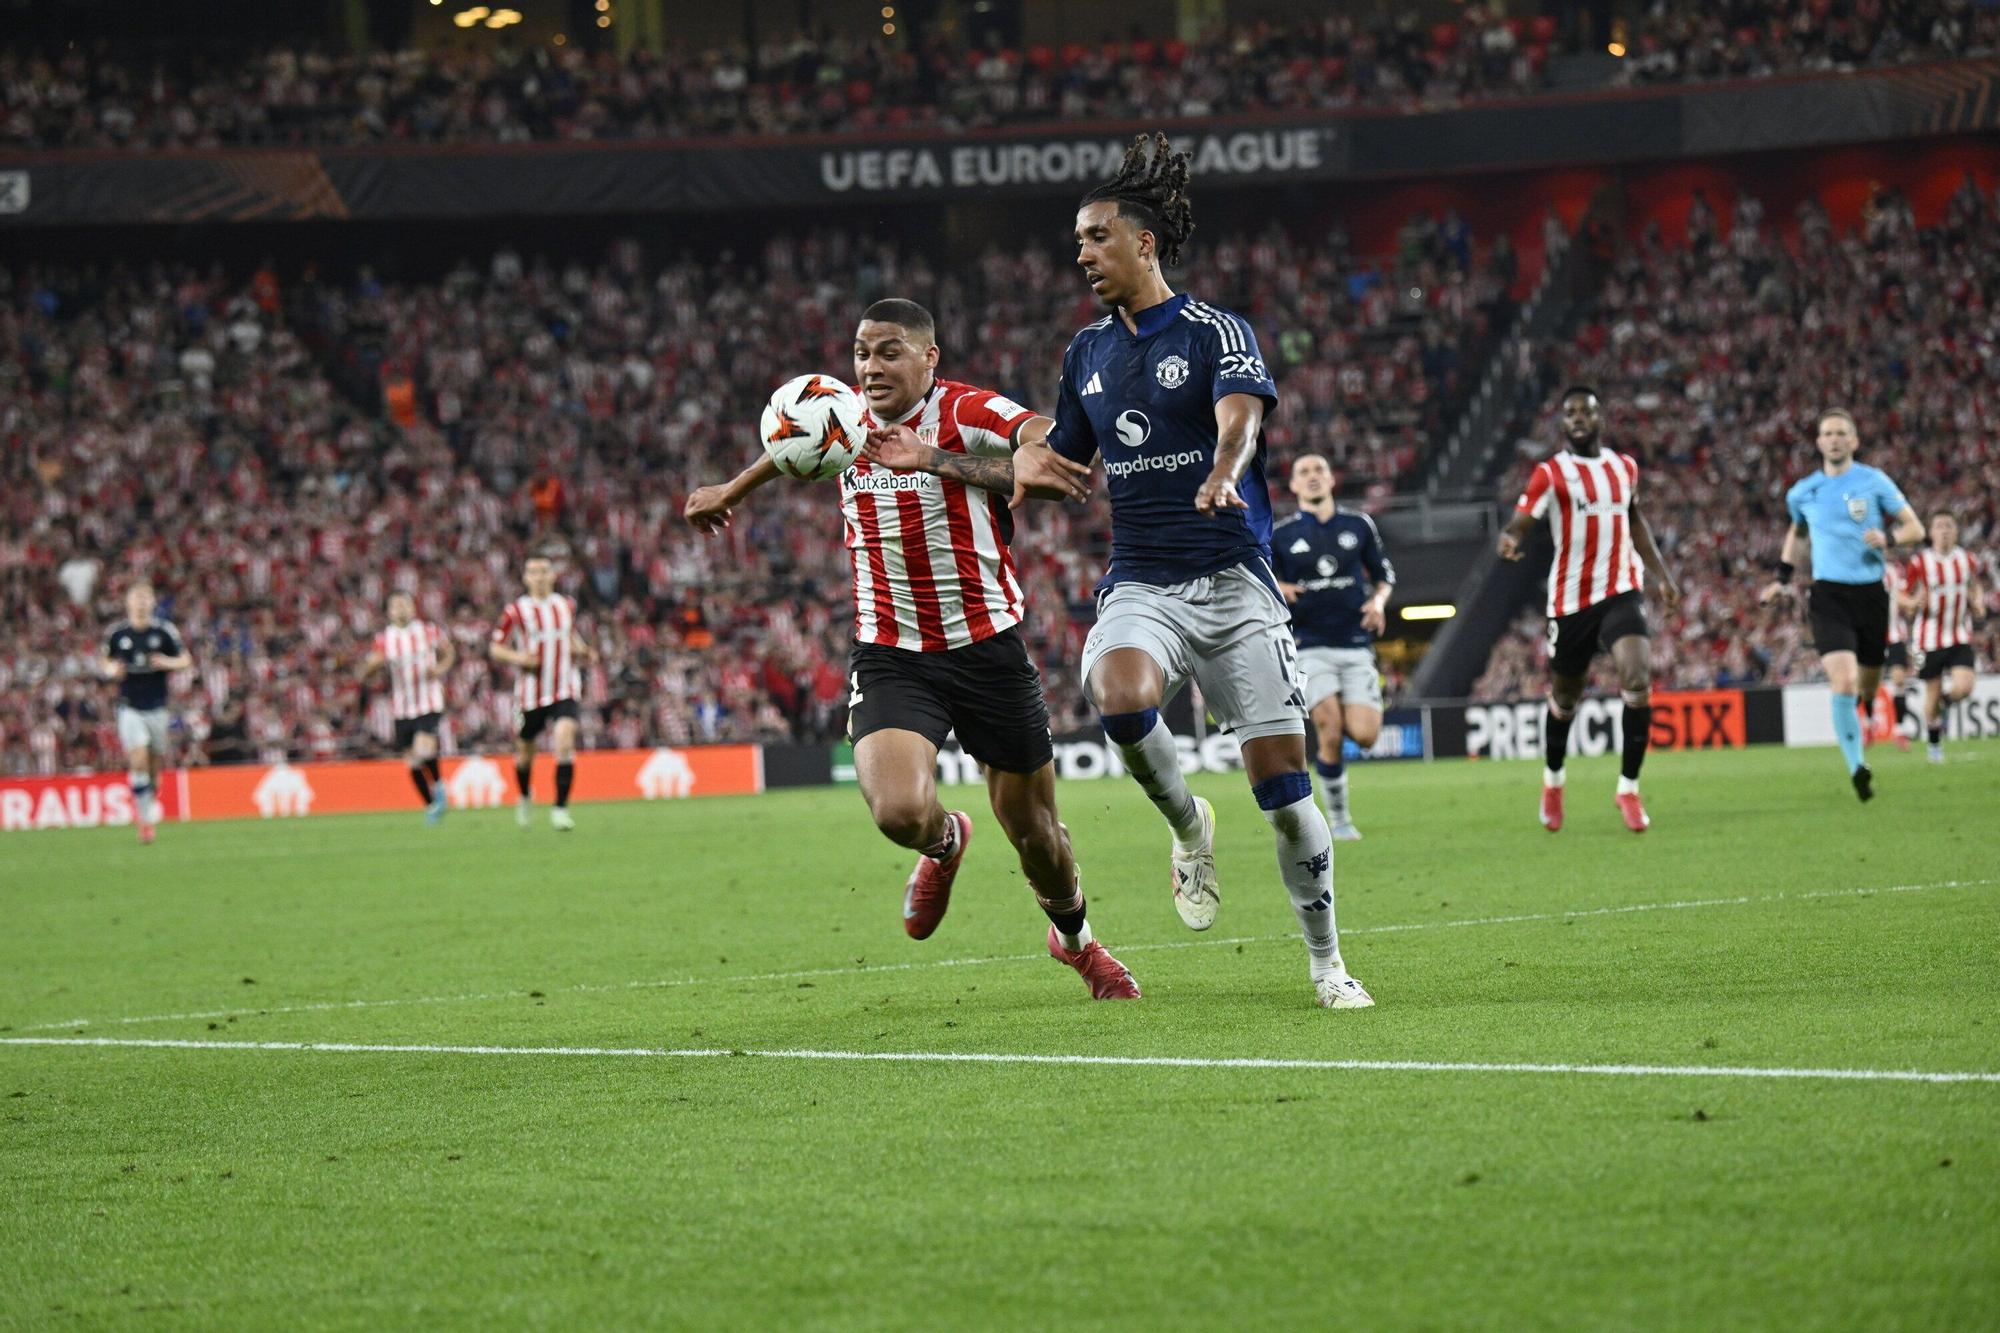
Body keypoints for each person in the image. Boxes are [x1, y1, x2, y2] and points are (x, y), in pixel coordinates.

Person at [684, 298, 1140, 1000]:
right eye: (862, 352)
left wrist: (931, 459)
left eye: (889, 351)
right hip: (892, 652)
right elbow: (792, 445)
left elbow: (1049, 456)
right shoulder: (844, 416)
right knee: (899, 811)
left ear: (930, 357)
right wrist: (732, 488)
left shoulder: (967, 411)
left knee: (1038, 837)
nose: (871, 366)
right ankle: (944, 841)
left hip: (987, 648)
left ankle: (1076, 942)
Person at [1044, 133, 1371, 1009]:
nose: (1082, 254)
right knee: (1119, 695)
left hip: (1234, 582)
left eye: (1096, 237)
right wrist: (949, 461)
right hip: (1142, 582)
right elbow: (1058, 462)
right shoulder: (1085, 354)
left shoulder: (1216, 330)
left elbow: (1240, 421)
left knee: (1287, 797)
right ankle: (1190, 826)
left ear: (1144, 242)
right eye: (1078, 241)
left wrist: (1225, 471)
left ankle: (1327, 963)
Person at [1498, 386, 1681, 833]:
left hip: (1621, 588)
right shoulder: (1550, 473)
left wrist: (1661, 575)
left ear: (1600, 419)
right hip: (1570, 600)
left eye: (1586, 411)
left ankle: (1628, 789)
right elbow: (1522, 521)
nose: (1579, 418)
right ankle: (1553, 782)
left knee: (1637, 677)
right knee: (1565, 697)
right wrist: (1511, 539)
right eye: (1571, 413)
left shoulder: (1624, 468)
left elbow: (1633, 518)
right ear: (1563, 424)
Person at [1759, 409, 1923, 800]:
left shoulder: (1873, 480)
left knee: (1868, 683)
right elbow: (1798, 533)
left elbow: (1915, 527)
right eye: (1827, 433)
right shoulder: (1803, 492)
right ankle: (1857, 766)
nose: (1834, 439)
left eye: (1840, 433)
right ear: (1819, 442)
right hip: (1828, 596)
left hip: (1871, 595)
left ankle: (1867, 710)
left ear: (1853, 441)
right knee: (1844, 680)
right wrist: (1782, 579)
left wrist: (1889, 539)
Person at [1271, 453, 1395, 841]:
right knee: (1329, 728)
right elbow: (1259, 579)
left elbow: (1384, 575)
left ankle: (1338, 801)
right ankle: (1339, 820)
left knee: (1365, 735)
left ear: (1331, 479)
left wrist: (1378, 602)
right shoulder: (1282, 534)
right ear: (1293, 485)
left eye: (1319, 470)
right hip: (1309, 645)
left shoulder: (1358, 525)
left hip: (1356, 644)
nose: (1312, 476)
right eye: (1304, 472)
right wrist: (1278, 586)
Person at [489, 555, 598, 831]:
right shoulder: (515, 610)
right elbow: (496, 648)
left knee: (564, 738)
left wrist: (583, 650)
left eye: (544, 571)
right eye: (533, 572)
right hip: (530, 693)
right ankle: (525, 795)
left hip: (564, 687)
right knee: (525, 752)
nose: (539, 577)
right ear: (526, 578)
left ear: (553, 576)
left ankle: (560, 809)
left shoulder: (565, 605)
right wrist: (519, 658)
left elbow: (568, 635)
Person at [98, 580, 193, 844]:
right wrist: (110, 670)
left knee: (152, 767)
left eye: (145, 598)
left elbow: (186, 660)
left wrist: (167, 662)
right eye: (136, 598)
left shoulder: (164, 631)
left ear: (152, 603)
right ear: (128, 603)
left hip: (157, 708)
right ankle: (145, 822)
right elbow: (104, 659)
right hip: (129, 707)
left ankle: (149, 797)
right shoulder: (118, 633)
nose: (141, 603)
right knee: (137, 759)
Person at [357, 591, 457, 823]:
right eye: (396, 605)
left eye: (405, 604)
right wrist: (372, 667)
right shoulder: (383, 639)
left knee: (422, 749)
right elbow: (366, 674)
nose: (401, 609)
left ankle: (439, 786)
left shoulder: (428, 631)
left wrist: (440, 669)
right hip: (402, 706)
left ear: (413, 608)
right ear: (389, 612)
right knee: (412, 761)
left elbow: (449, 653)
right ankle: (432, 805)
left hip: (429, 701)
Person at [1897, 513, 1983, 763]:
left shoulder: (1967, 559)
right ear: (1931, 532)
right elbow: (1901, 596)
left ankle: (1944, 704)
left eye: (1948, 526)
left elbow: (1975, 585)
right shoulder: (1919, 562)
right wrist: (1913, 602)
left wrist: (1977, 601)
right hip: (1927, 640)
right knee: (1932, 692)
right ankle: (1934, 745)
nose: (1944, 530)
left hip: (1959, 635)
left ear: (1956, 531)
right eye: (1938, 526)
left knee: (1964, 687)